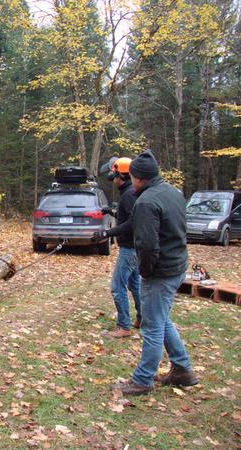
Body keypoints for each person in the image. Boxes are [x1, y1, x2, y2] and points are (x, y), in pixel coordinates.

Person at [114, 151, 198, 395]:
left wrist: (146, 272)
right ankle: (182, 369)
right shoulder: (173, 192)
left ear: (138, 178)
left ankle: (142, 379)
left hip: (161, 271)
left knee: (151, 326)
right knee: (162, 319)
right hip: (177, 265)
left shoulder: (146, 202)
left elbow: (148, 245)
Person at [93, 157, 141, 338]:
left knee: (117, 286)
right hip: (134, 247)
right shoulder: (130, 192)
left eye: (113, 174)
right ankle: (142, 319)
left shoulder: (129, 194)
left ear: (120, 174)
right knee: (134, 284)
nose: (112, 178)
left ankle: (124, 326)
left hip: (129, 248)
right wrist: (111, 212)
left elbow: (131, 223)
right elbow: (127, 217)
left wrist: (107, 233)